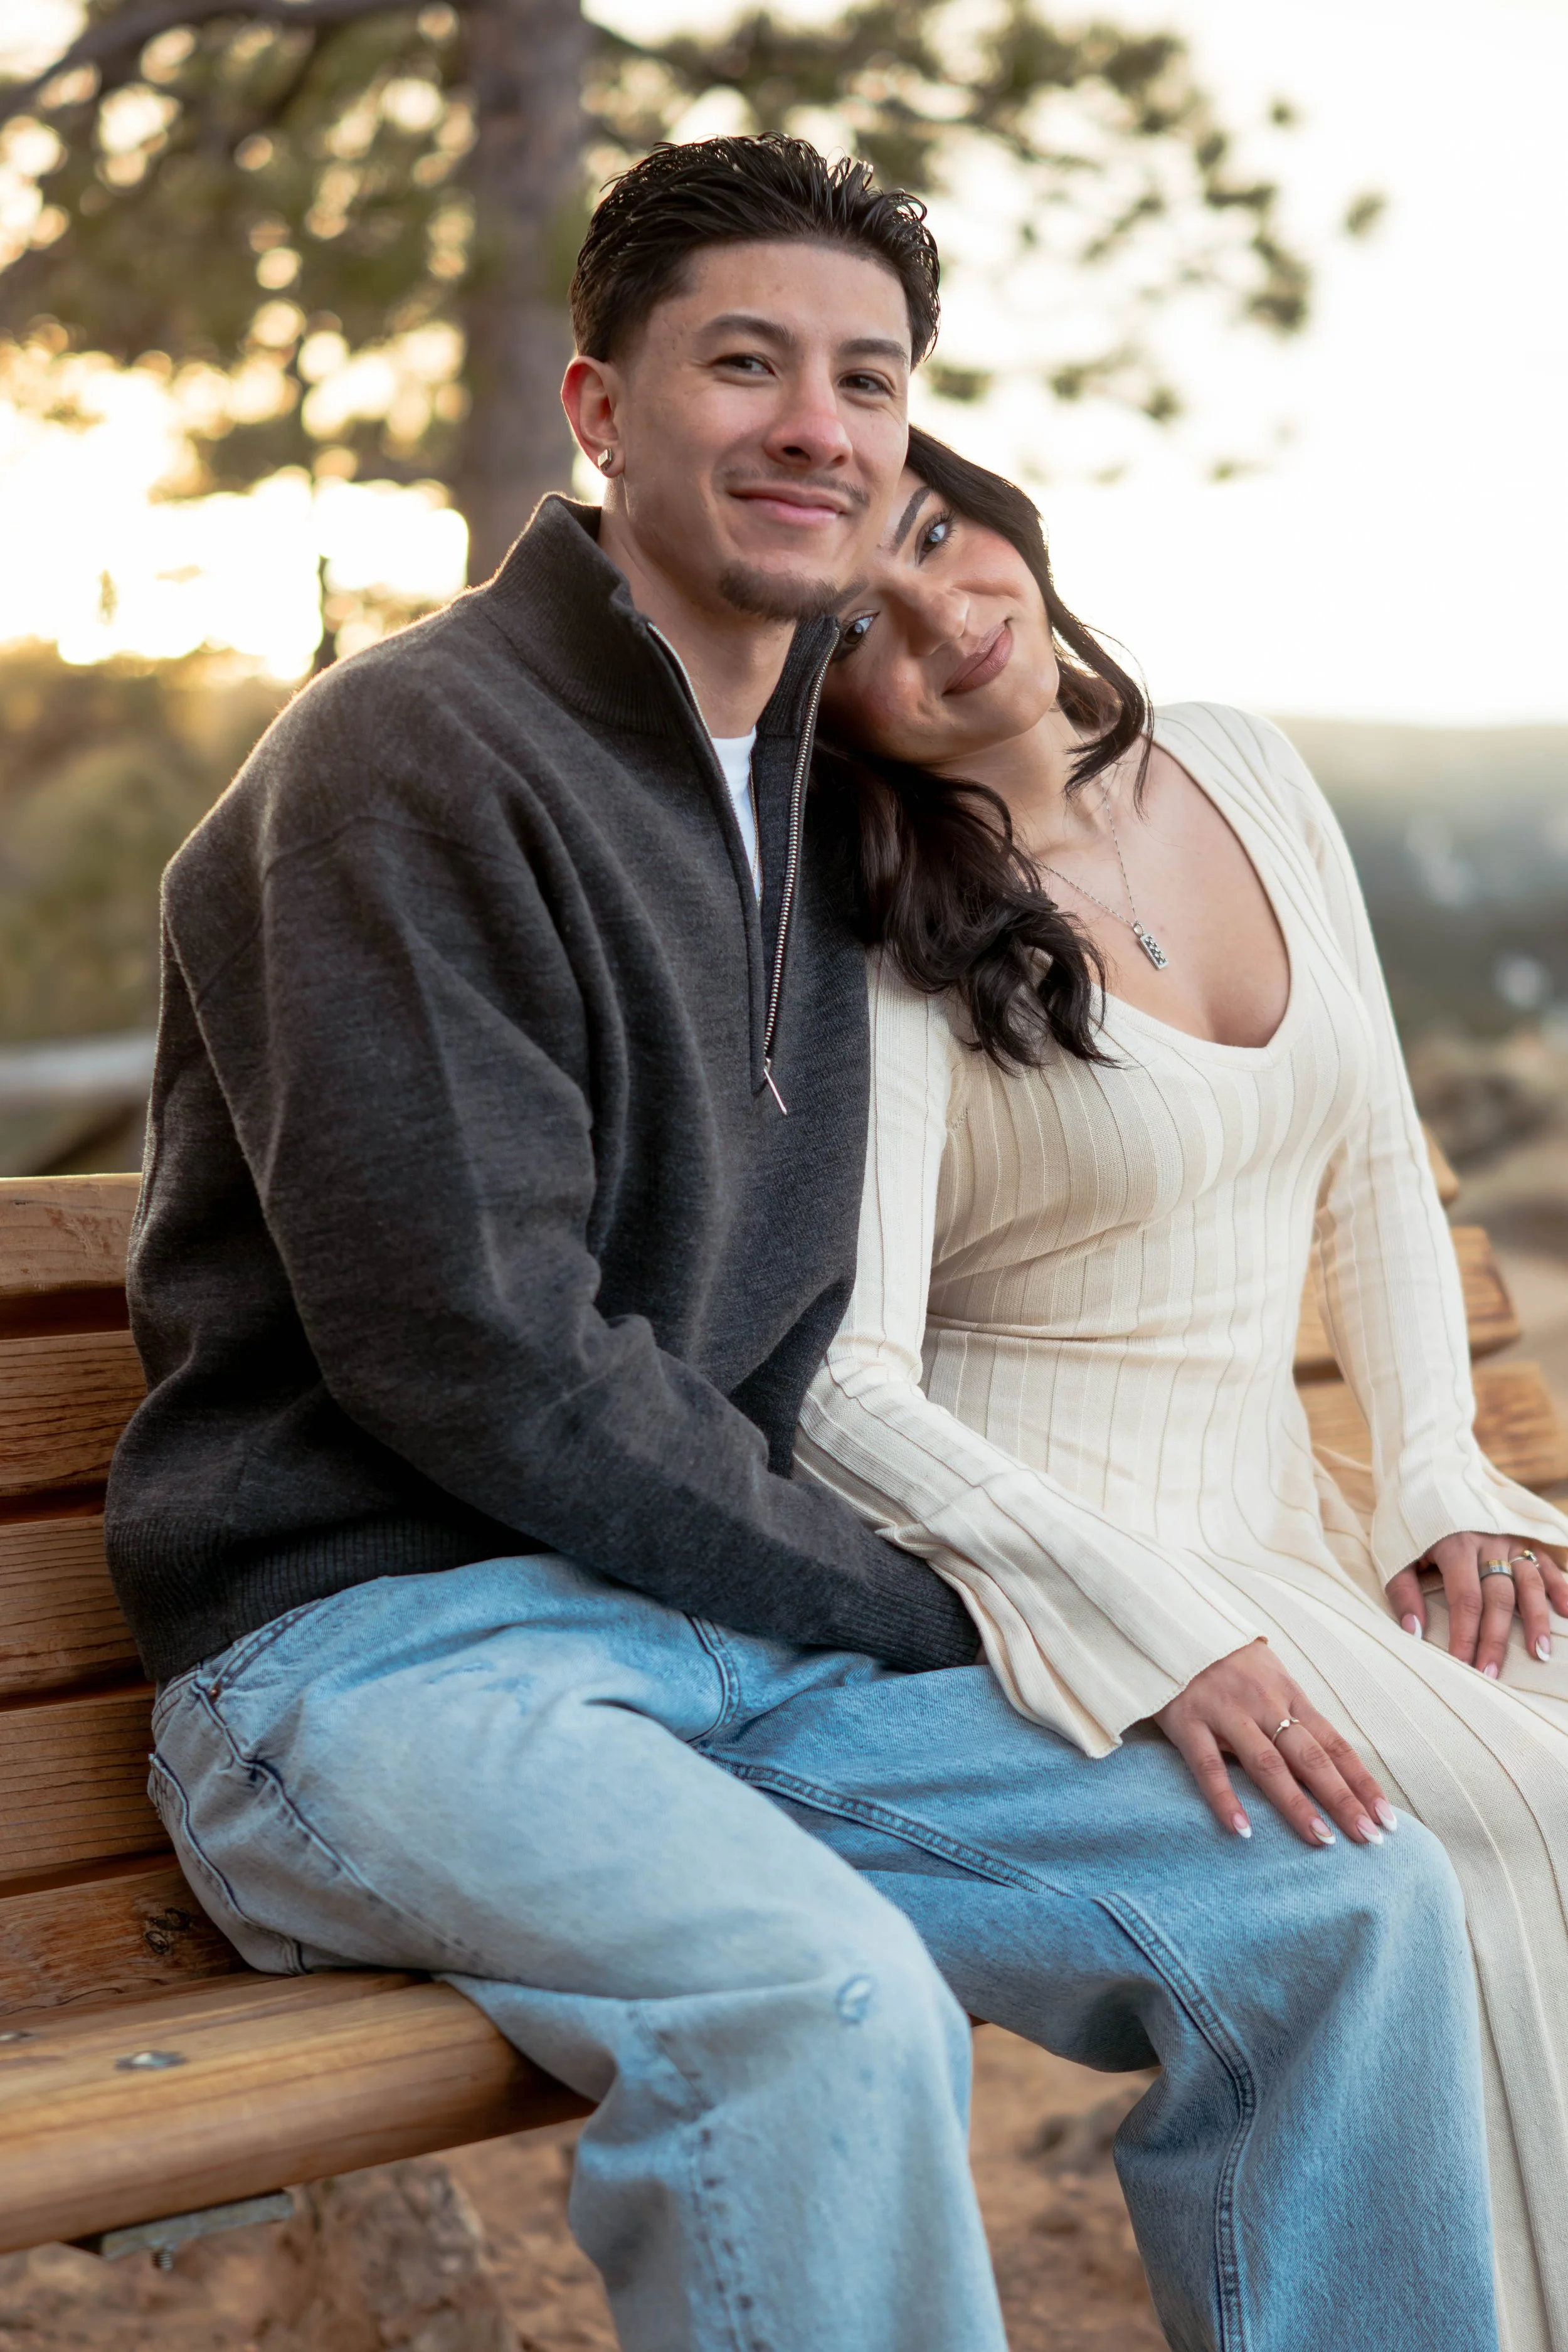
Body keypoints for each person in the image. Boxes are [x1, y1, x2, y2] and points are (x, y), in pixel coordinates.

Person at [112, 138, 1499, 2351]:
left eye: (866, 377)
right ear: (595, 408)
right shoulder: (408, 757)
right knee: (824, 1998)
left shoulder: (807, 804)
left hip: (728, 1646)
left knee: (1336, 1903)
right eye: (741, 362)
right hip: (382, 1659)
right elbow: (473, 1347)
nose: (815, 425)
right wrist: (968, 1611)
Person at [801, 420, 1568, 2351]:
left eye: (932, 530)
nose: (943, 614)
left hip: (1287, 1516)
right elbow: (839, 1383)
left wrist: (1436, 1476)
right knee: (1499, 1813)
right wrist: (1142, 1625)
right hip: (1083, 1581)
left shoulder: (1238, 759)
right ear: (837, 718)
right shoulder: (887, 937)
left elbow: (1377, 1148)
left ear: (1001, 516)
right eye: (860, 629)